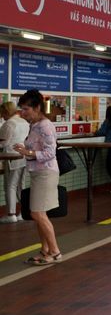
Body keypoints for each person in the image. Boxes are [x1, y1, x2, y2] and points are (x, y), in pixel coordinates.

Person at [11, 90, 62, 265]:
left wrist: (28, 152)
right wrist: (23, 147)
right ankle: (45, 250)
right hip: (37, 172)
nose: (22, 113)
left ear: (37, 108)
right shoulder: (34, 125)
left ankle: (55, 252)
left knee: (38, 213)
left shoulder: (45, 126)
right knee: (39, 214)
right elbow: (34, 145)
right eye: (22, 109)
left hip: (45, 173)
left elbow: (50, 152)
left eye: (26, 109)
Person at [0, 102, 29, 223]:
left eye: (2, 113)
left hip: (11, 157)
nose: (2, 116)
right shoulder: (24, 122)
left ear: (6, 112)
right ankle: (23, 213)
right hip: (23, 156)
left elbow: (4, 143)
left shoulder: (9, 123)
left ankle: (11, 214)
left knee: (10, 186)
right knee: (20, 186)